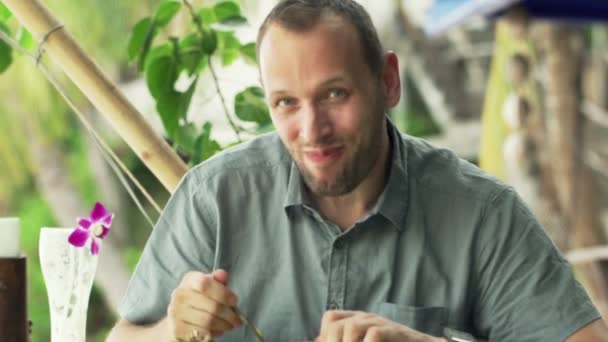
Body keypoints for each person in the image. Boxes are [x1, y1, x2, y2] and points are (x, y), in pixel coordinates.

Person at [108, 0, 608, 341]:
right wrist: (169, 331)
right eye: (286, 103)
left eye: (335, 94)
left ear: (388, 81)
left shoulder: (481, 213)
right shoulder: (214, 198)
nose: (312, 129)